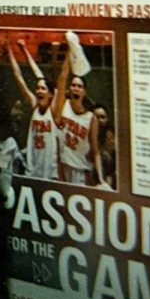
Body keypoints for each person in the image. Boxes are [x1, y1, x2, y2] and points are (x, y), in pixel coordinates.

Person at [53, 31, 107, 187]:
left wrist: (100, 178)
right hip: (63, 166)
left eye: (79, 86)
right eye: (73, 85)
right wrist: (71, 46)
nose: (75, 88)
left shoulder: (91, 118)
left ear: (84, 91)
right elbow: (62, 77)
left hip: (81, 171)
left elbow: (95, 151)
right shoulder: (64, 106)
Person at [4, 37, 61, 181]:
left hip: (50, 172)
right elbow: (19, 76)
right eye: (37, 88)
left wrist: (24, 50)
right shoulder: (35, 104)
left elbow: (39, 73)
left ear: (50, 93)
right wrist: (9, 49)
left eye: (43, 89)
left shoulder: (54, 110)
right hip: (32, 168)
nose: (39, 91)